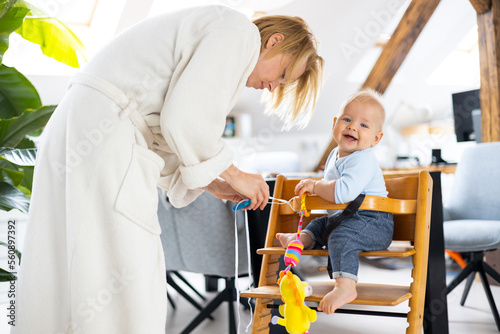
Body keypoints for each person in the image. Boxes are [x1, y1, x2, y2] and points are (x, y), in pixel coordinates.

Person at [13, 5, 323, 334]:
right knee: (128, 270)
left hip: (80, 127)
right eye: (283, 74)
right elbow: (185, 119)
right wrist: (235, 173)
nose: (273, 86)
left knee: (71, 263)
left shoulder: (213, 32)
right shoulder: (238, 32)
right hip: (105, 136)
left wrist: (212, 182)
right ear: (274, 41)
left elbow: (167, 124)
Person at [276, 89, 393, 315]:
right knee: (320, 223)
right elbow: (330, 194)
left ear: (376, 139)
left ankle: (346, 286)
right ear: (334, 124)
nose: (352, 127)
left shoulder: (363, 159)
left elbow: (342, 193)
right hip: (344, 218)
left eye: (363, 125)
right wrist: (311, 192)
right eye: (347, 119)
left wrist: (316, 186)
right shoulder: (334, 156)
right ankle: (301, 239)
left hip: (374, 223)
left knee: (340, 235)